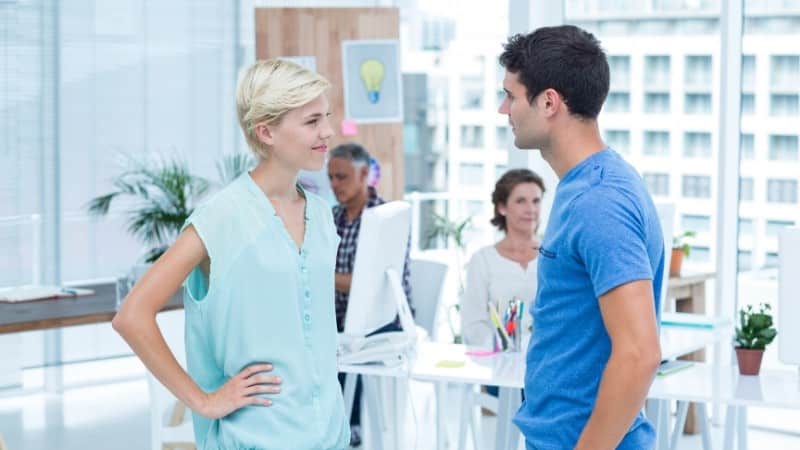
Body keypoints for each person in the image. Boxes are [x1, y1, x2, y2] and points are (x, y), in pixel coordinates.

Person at [112, 59, 349, 450]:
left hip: (330, 435)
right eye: (311, 121)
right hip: (257, 438)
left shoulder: (322, 215)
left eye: (326, 117)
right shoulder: (221, 218)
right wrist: (203, 401)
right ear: (266, 131)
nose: (328, 131)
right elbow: (132, 315)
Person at [498, 25, 664, 449]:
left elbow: (639, 353)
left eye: (512, 96)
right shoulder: (585, 187)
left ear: (549, 102)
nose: (504, 109)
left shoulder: (598, 201)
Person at [326, 142, 413, 447]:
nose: (335, 185)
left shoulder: (385, 219)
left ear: (364, 174)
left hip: (379, 320)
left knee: (348, 342)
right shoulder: (329, 218)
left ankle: (350, 430)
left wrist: (321, 275)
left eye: (342, 177)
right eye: (331, 177)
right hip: (337, 316)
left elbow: (367, 285)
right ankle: (328, 429)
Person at [461, 168, 545, 350]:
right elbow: (473, 324)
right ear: (502, 207)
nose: (531, 209)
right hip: (499, 365)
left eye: (536, 201)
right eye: (521, 201)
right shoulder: (483, 260)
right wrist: (503, 351)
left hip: (547, 361)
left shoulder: (555, 257)